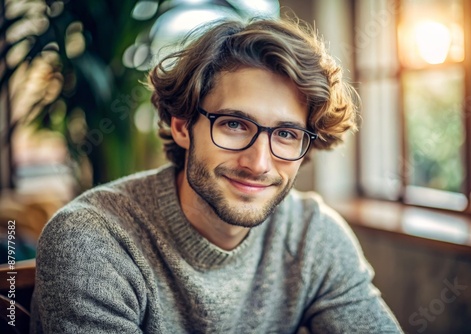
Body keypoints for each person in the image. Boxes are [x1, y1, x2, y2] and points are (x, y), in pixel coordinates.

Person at [30, 17, 402, 333]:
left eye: (286, 134)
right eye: (234, 124)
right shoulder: (93, 240)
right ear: (181, 125)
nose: (258, 163)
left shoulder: (314, 236)